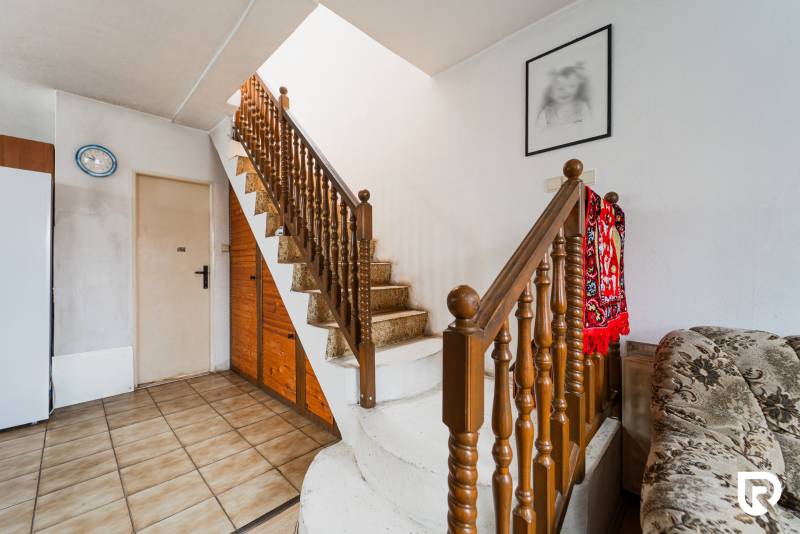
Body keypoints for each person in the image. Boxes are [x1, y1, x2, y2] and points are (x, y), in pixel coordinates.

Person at [535, 63, 591, 138]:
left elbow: (589, 131)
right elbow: (537, 136)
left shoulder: (582, 107)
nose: (566, 92)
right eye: (560, 88)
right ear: (551, 92)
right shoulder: (546, 113)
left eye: (572, 86)